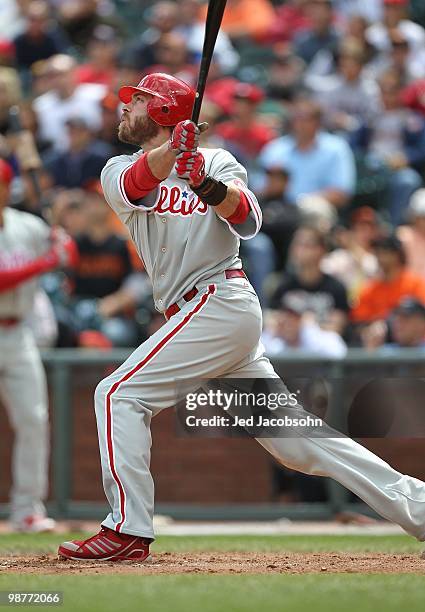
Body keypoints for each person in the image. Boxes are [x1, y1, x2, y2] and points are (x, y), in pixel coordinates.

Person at [58, 72, 425, 563]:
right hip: (198, 314)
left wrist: (203, 180)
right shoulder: (116, 168)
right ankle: (419, 506)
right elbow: (138, 183)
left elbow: (248, 219)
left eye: (139, 101)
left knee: (117, 394)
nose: (125, 109)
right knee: (296, 443)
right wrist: (172, 157)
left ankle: (127, 529)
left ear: (165, 111)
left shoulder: (217, 160)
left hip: (220, 302)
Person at [0, 158, 77, 531]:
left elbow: (67, 255)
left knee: (33, 419)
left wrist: (62, 245)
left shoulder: (27, 225)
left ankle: (27, 509)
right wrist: (46, 262)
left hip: (17, 332)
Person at [260, 98, 356, 221]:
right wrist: (273, 186)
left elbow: (342, 193)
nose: (300, 123)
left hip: (311, 212)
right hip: (277, 210)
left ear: (318, 122)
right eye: (297, 118)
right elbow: (260, 189)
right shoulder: (275, 149)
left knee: (314, 210)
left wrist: (302, 202)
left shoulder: (336, 148)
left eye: (306, 119)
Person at [271, 225, 350, 335]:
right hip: (290, 345)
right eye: (296, 244)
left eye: (306, 245)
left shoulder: (336, 288)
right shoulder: (284, 286)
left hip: (321, 346)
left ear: (322, 250)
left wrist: (306, 327)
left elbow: (336, 329)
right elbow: (273, 322)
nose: (299, 250)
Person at [351, 234, 425, 323]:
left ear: (397, 255)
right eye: (377, 252)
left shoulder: (415, 284)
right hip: (377, 334)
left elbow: (421, 316)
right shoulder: (370, 288)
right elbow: (359, 319)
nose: (380, 257)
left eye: (385, 252)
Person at [262, 294, 347, 357]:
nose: (289, 322)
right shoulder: (275, 340)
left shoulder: (319, 338)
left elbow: (339, 352)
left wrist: (311, 330)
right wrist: (271, 333)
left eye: (295, 317)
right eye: (286, 316)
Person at [360, 297, 425, 351]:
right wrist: (371, 347)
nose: (398, 324)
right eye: (397, 318)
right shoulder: (385, 351)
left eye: (406, 318)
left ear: (422, 323)